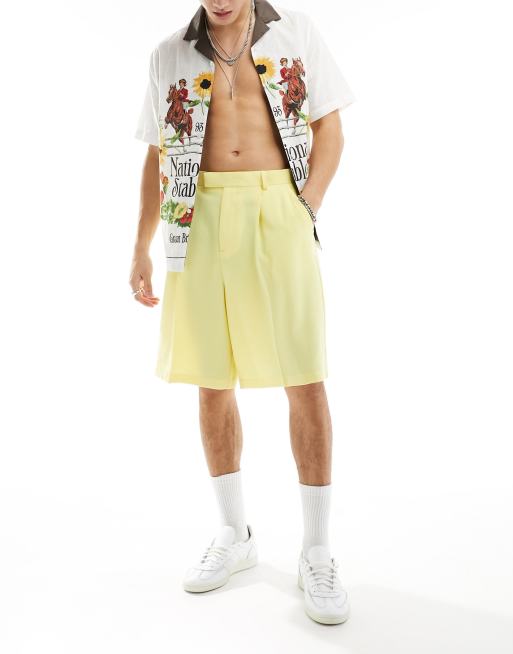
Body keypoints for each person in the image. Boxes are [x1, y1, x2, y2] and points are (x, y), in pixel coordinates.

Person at [129, 0, 355, 625]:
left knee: (305, 377)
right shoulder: (168, 53)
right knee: (211, 379)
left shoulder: (295, 33)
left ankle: (317, 549)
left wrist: (305, 206)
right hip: (195, 214)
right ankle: (235, 534)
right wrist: (141, 246)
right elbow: (157, 156)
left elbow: (329, 126)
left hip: (277, 207)